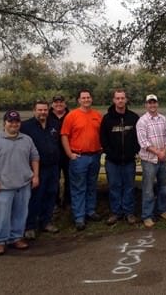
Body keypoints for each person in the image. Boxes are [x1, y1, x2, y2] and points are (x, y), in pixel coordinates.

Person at [0, 110, 39, 255]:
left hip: (23, 184)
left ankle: (16, 238)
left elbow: (35, 157)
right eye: (10, 121)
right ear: (4, 123)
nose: (14, 124)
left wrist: (35, 176)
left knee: (20, 214)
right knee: (2, 216)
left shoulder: (27, 139)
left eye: (16, 122)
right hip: (2, 186)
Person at [60, 89, 103, 231]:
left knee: (91, 185)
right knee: (78, 187)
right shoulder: (71, 116)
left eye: (88, 97)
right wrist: (69, 154)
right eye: (83, 98)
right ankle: (79, 216)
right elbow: (64, 135)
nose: (86, 100)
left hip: (95, 155)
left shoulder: (97, 115)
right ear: (78, 100)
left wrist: (101, 148)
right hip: (78, 157)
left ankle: (90, 211)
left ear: (91, 99)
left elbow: (102, 134)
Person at [20, 100, 61, 239]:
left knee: (51, 194)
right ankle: (30, 225)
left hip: (53, 167)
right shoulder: (26, 126)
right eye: (40, 110)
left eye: (45, 110)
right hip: (36, 168)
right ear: (34, 110)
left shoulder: (54, 124)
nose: (43, 112)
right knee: (35, 197)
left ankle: (46, 222)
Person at [100, 89, 140, 226]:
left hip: (129, 160)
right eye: (117, 98)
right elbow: (103, 139)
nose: (120, 101)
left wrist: (134, 151)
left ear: (126, 100)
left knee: (129, 186)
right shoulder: (107, 119)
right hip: (112, 161)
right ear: (114, 100)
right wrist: (110, 153)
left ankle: (129, 212)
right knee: (114, 186)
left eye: (122, 98)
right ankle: (116, 212)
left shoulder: (133, 117)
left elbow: (138, 138)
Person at [136, 94, 166, 228]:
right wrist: (158, 152)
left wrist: (163, 151)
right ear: (146, 105)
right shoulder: (142, 121)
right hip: (149, 160)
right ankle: (147, 215)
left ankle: (162, 210)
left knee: (164, 186)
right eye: (149, 103)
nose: (152, 105)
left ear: (157, 104)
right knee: (148, 189)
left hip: (163, 159)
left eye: (154, 102)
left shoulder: (163, 119)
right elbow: (143, 142)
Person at [49, 95, 71, 209]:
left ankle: (68, 201)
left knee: (70, 178)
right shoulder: (47, 116)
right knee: (54, 179)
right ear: (52, 104)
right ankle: (55, 201)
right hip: (53, 154)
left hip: (68, 153)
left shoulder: (71, 115)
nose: (59, 104)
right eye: (56, 102)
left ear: (65, 104)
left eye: (61, 102)